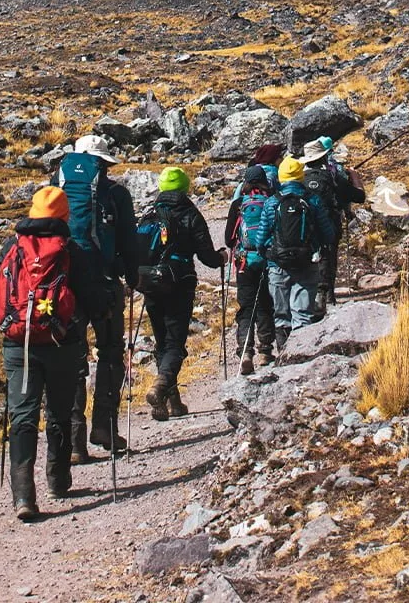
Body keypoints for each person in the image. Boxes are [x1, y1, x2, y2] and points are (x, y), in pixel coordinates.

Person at [0, 186, 105, 521]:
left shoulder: (13, 246)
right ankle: (58, 480)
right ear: (65, 216)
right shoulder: (71, 249)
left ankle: (23, 496)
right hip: (61, 345)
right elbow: (93, 300)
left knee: (22, 416)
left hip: (18, 345)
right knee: (59, 412)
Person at [51, 135, 137, 462]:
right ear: (102, 163)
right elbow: (129, 242)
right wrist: (131, 275)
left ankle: (74, 441)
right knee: (111, 351)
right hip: (104, 283)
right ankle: (104, 424)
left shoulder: (55, 190)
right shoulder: (116, 195)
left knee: (72, 358)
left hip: (66, 288)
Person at [134, 166, 221, 419]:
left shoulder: (149, 213)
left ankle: (171, 402)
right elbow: (207, 256)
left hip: (149, 281)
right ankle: (161, 387)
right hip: (178, 282)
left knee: (161, 340)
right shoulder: (189, 212)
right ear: (185, 187)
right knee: (174, 340)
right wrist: (221, 258)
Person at [267, 156, 333, 353]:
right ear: (300, 176)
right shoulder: (312, 200)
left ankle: (282, 353)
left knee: (280, 314)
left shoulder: (272, 202)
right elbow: (327, 233)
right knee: (302, 312)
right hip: (306, 261)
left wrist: (269, 252)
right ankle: (300, 355)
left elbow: (260, 237)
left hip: (277, 264)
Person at [299, 136, 366, 314]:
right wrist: (354, 176)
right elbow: (359, 197)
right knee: (329, 255)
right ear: (323, 157)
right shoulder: (332, 176)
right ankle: (328, 296)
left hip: (304, 227)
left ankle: (307, 299)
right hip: (329, 221)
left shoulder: (299, 178)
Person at [223, 163, 279, 374]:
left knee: (246, 307)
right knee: (265, 304)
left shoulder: (238, 204)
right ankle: (265, 351)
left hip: (244, 262)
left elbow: (229, 238)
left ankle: (245, 350)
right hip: (266, 259)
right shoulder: (271, 201)